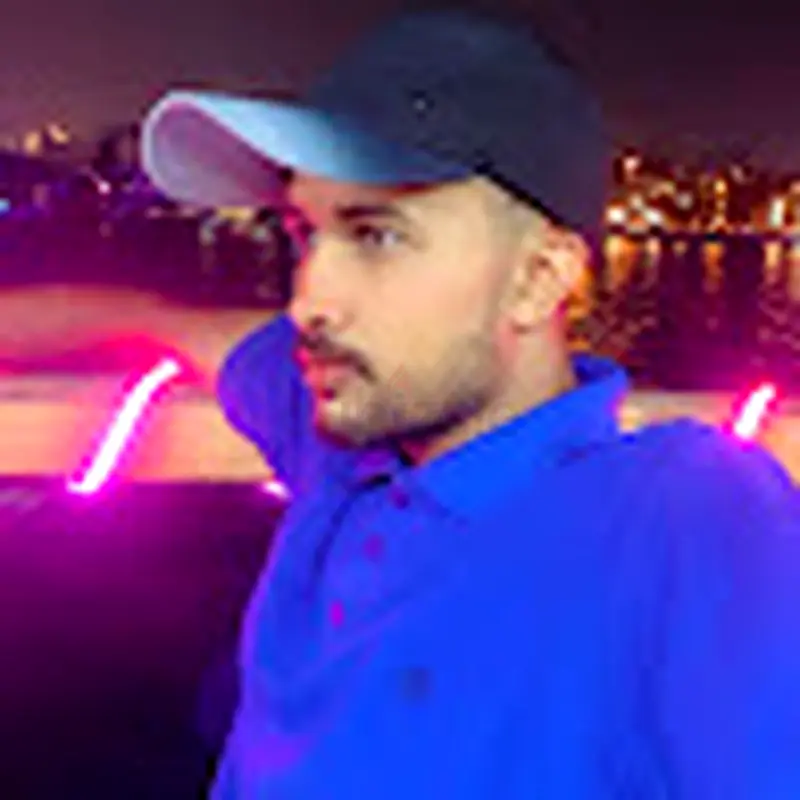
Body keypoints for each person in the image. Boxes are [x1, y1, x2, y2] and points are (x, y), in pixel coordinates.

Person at [5, 8, 800, 798]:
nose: (309, 300)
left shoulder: (687, 513)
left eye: (376, 235)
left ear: (538, 279)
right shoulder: (344, 420)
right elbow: (154, 319)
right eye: (304, 234)